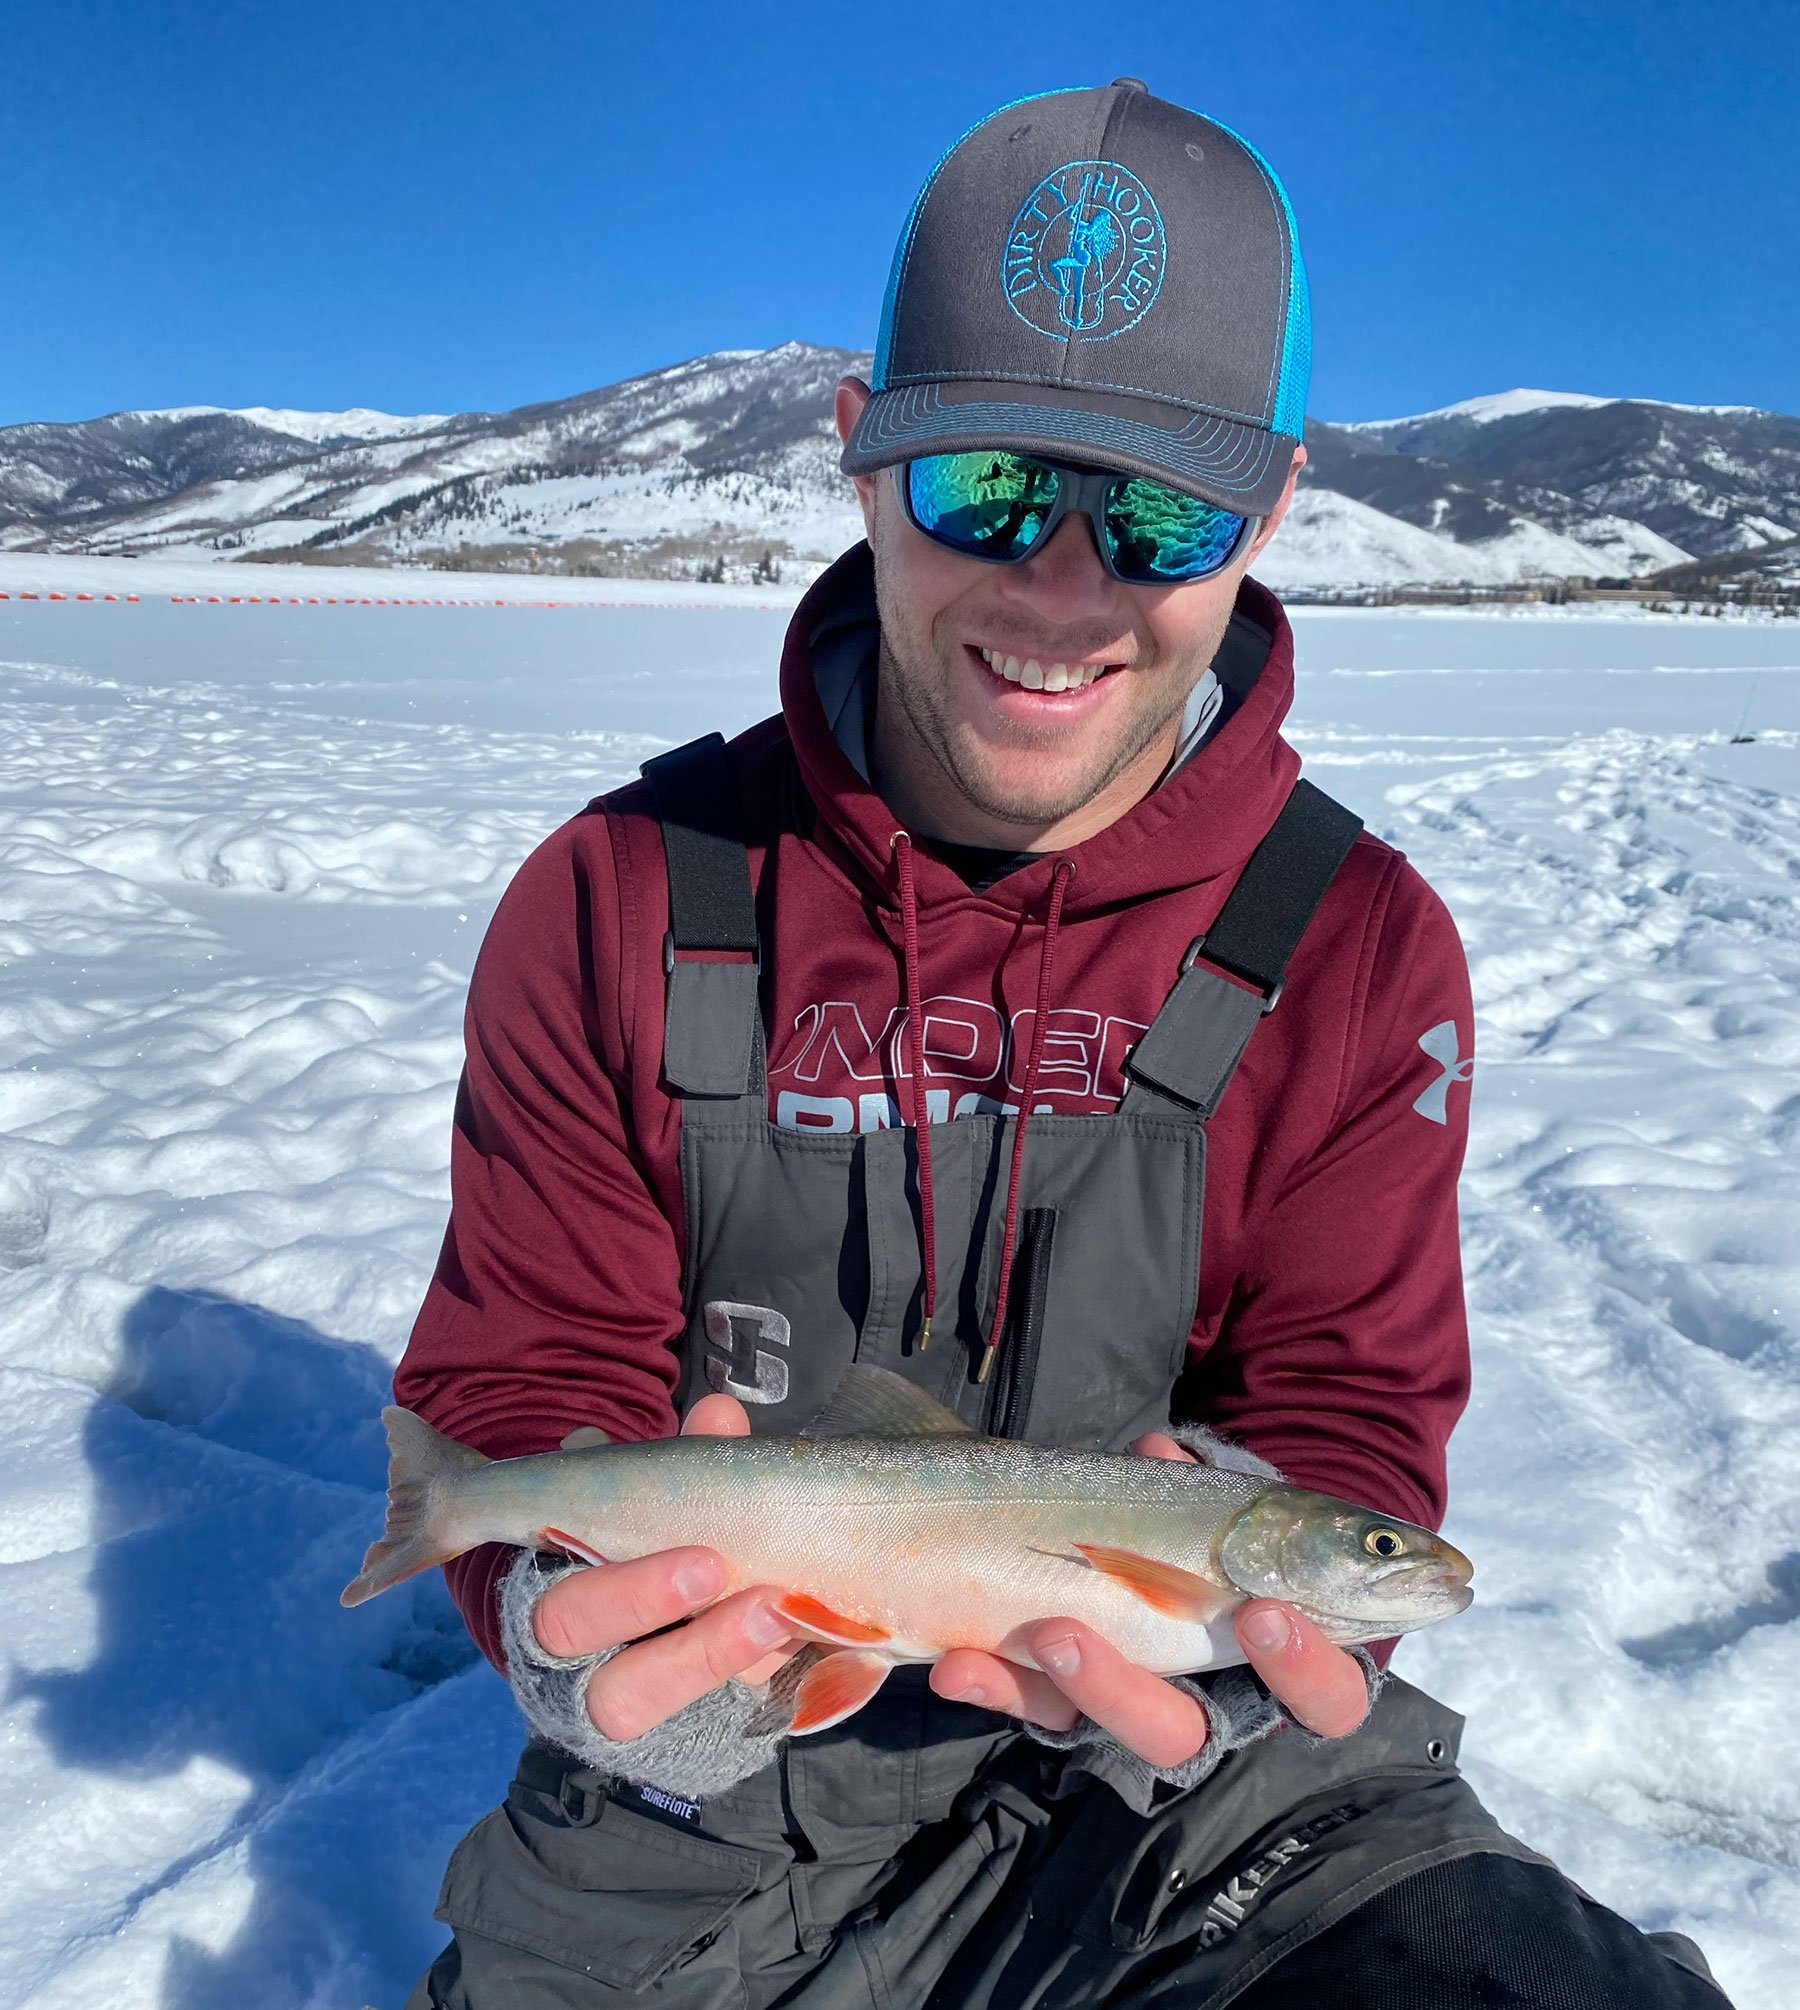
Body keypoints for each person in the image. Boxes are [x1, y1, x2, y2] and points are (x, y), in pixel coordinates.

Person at [394, 80, 1728, 2008]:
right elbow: (531, 1379)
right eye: (989, 489)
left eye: (1162, 510)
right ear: (863, 459)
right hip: (704, 1835)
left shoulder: (1355, 946)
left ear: (1269, 509)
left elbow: (1352, 1408)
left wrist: (1269, 1553)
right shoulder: (618, 895)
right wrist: (575, 1634)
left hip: (1203, 1791)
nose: (1065, 588)